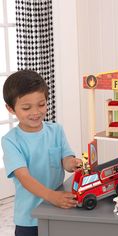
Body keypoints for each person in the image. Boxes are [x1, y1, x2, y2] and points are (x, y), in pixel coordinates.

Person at [1, 70, 82, 236]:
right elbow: (24, 178)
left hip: (57, 210)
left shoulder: (56, 130)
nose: (36, 112)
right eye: (26, 108)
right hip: (29, 218)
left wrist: (72, 163)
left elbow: (65, 160)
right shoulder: (10, 140)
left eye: (41, 104)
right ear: (10, 109)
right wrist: (52, 196)